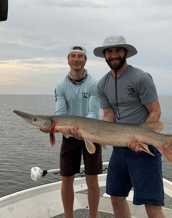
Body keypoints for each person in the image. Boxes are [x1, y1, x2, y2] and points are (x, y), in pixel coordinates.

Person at [94, 36, 165, 218]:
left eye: (118, 50)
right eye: (109, 51)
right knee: (116, 198)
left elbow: (155, 112)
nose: (113, 55)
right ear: (104, 55)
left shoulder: (141, 78)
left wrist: (140, 138)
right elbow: (109, 116)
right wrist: (90, 131)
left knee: (152, 207)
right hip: (120, 150)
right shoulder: (102, 84)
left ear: (125, 52)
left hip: (144, 148)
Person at [54, 45, 102, 218]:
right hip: (69, 135)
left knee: (92, 178)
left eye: (79, 56)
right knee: (66, 178)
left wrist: (81, 129)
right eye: (72, 56)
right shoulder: (60, 85)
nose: (76, 59)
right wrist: (68, 129)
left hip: (92, 133)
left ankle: (93, 216)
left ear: (85, 60)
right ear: (68, 60)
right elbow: (60, 114)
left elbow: (93, 112)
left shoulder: (95, 84)